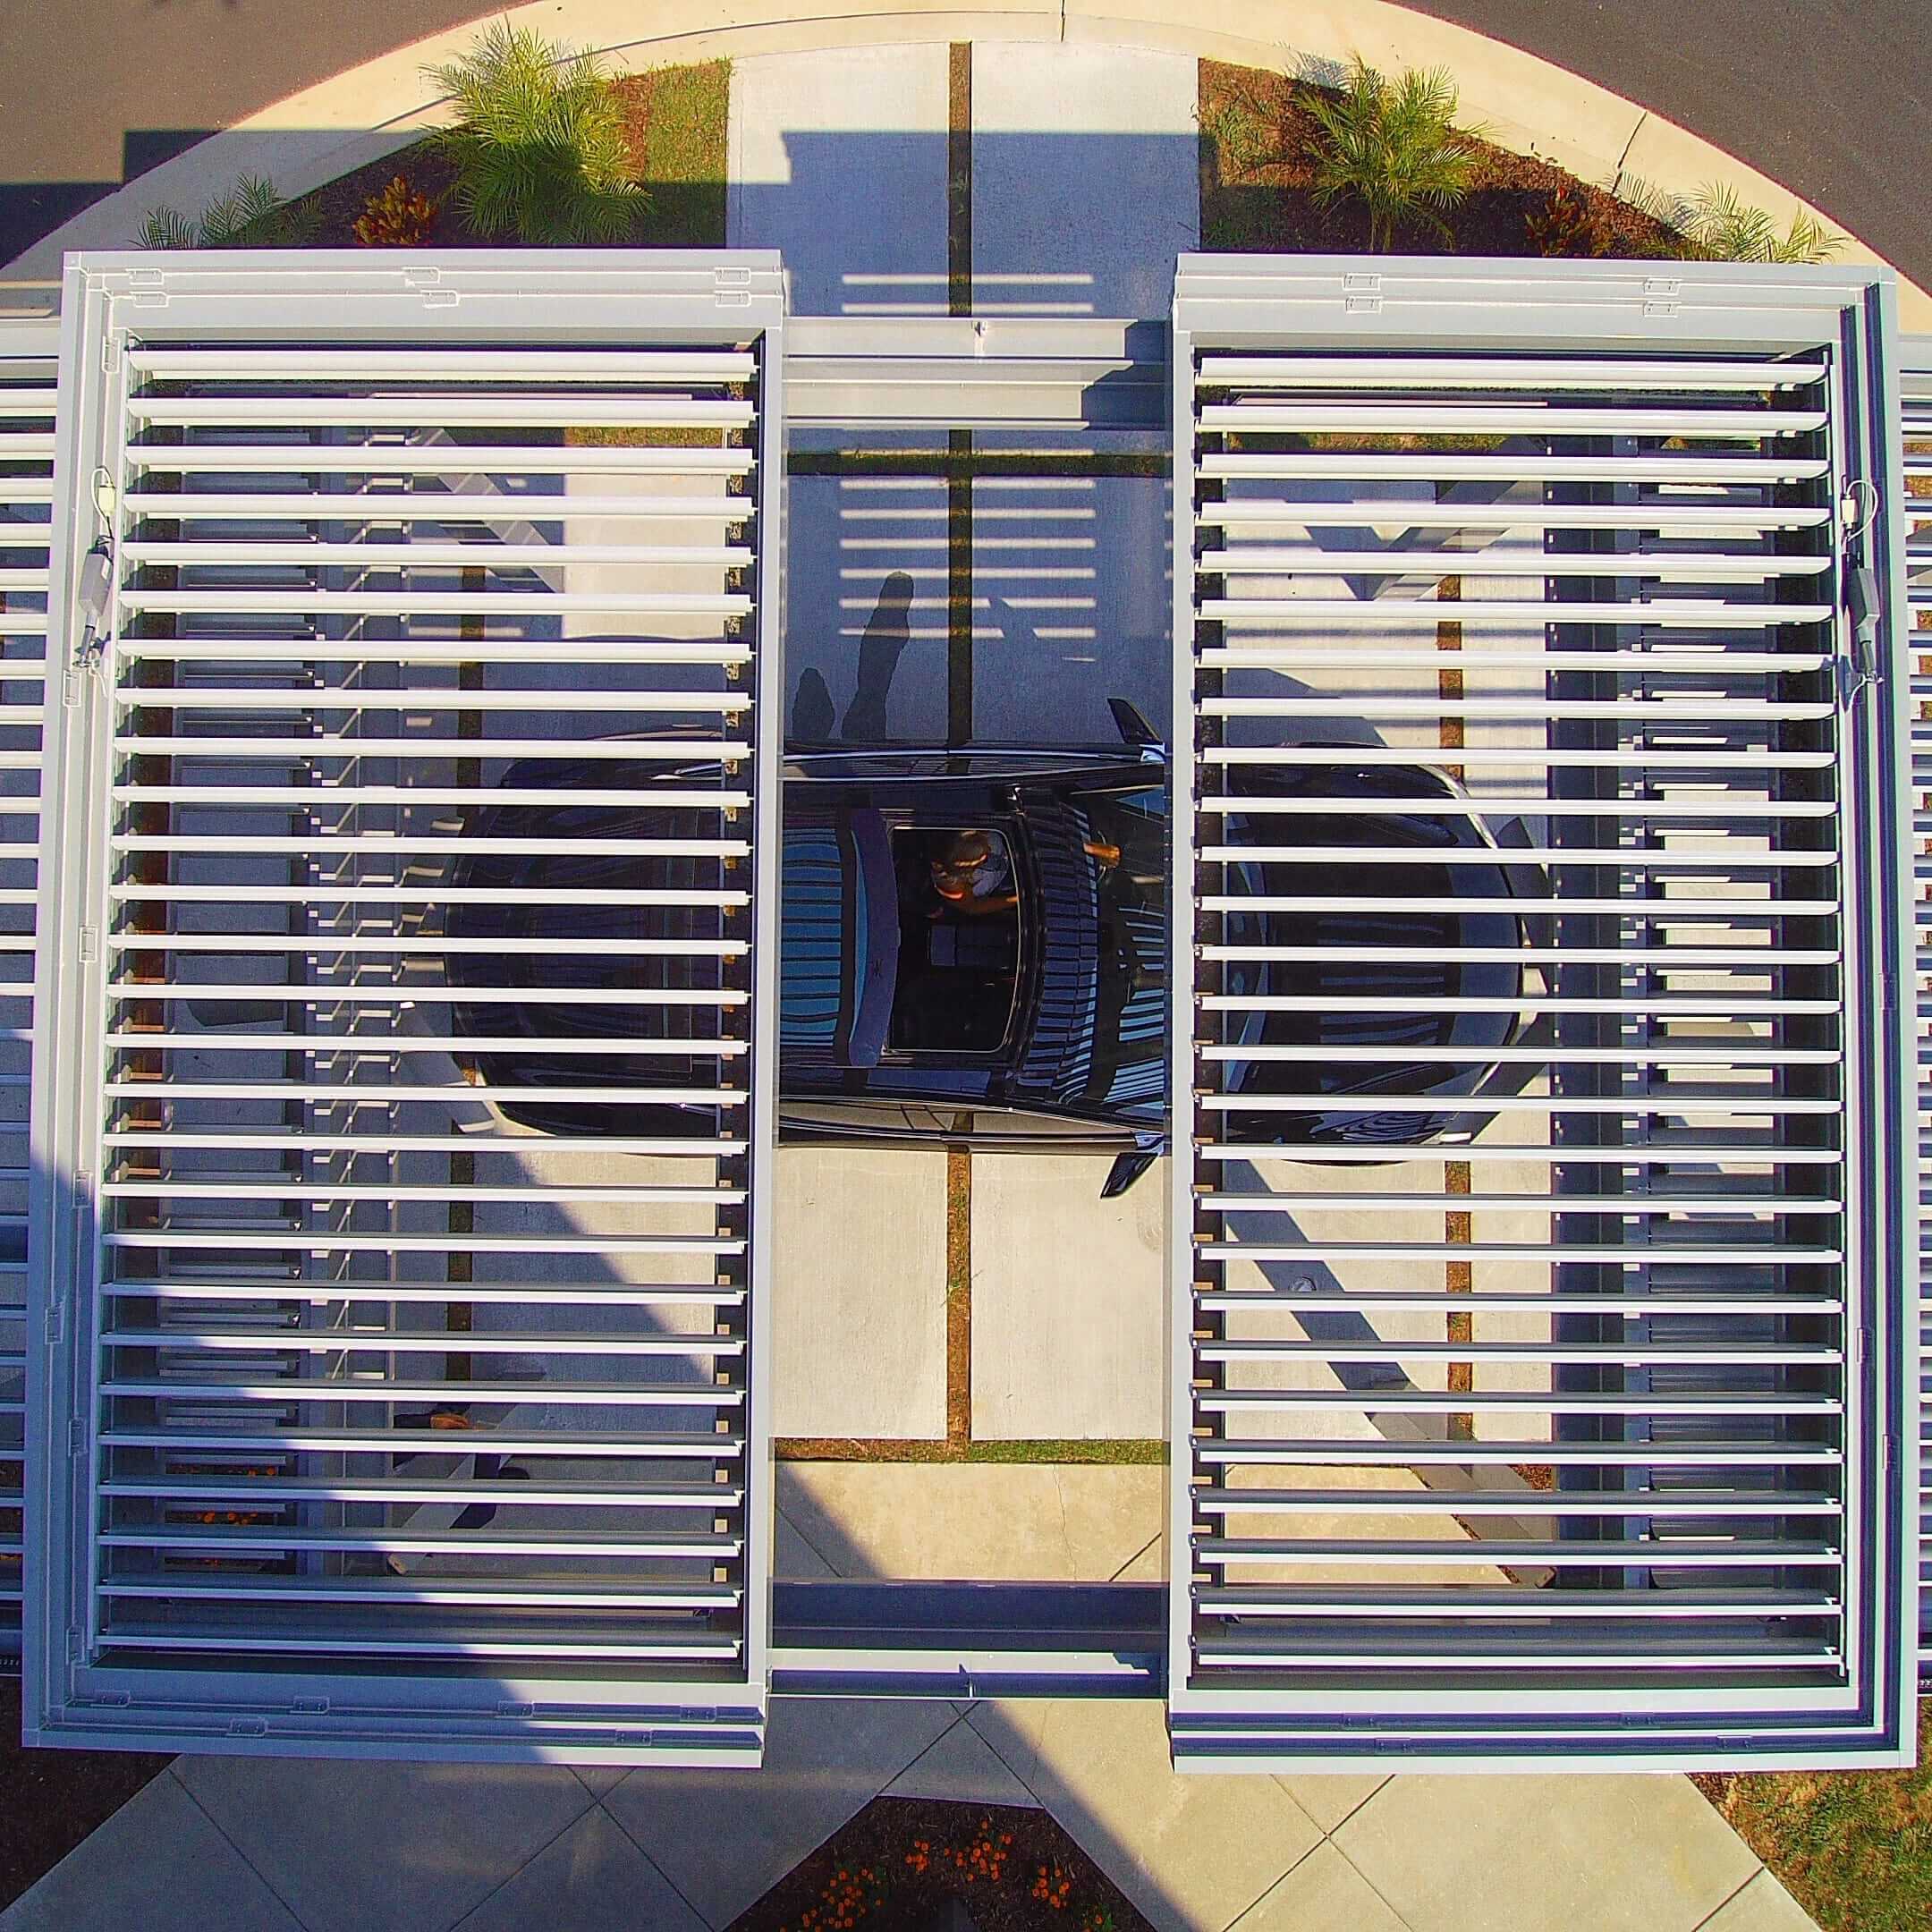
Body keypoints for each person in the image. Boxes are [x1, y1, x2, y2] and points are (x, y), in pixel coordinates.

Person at [930, 830, 1018, 916]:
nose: (989, 849)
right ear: (966, 865)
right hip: (1003, 880)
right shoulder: (951, 884)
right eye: (983, 857)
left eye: (985, 840)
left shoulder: (971, 831)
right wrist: (1016, 899)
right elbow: (973, 907)